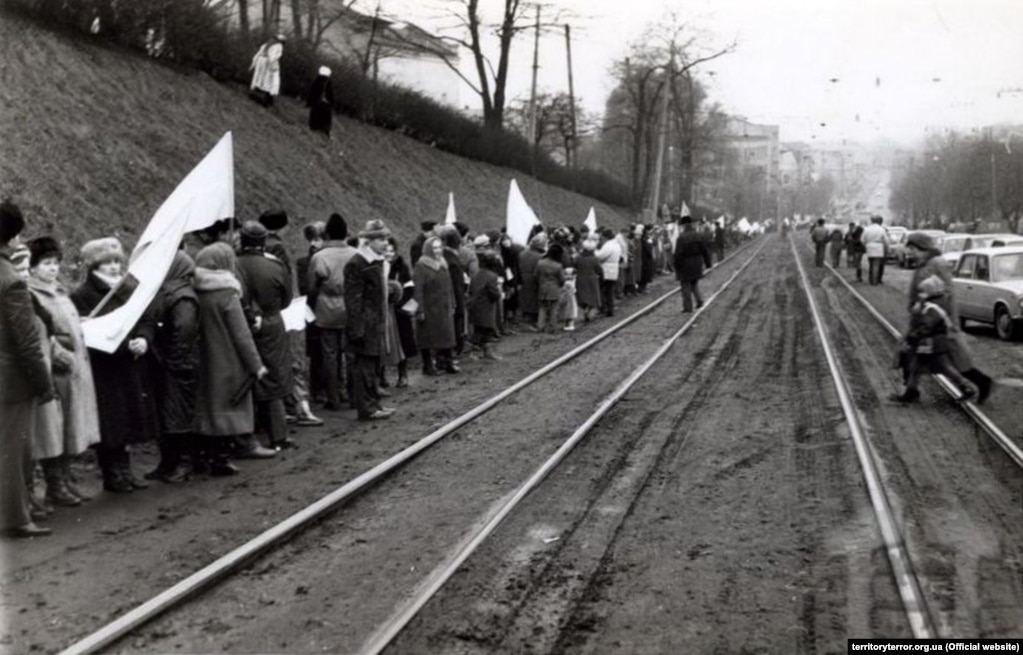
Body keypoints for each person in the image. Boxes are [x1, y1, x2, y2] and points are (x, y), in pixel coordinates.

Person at [71, 237, 161, 493]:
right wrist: (124, 345)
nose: (113, 267)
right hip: (106, 368)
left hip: (130, 364)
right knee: (111, 421)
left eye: (115, 261)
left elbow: (145, 317)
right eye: (106, 262)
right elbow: (89, 332)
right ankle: (113, 473)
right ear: (93, 265)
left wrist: (144, 338)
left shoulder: (128, 289)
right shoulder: (83, 295)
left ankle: (126, 470)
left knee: (129, 419)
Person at [26, 236, 100, 504]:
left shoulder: (58, 292)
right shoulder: (32, 294)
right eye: (46, 263)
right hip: (57, 370)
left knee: (71, 427)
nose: (52, 268)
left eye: (56, 263)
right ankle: (55, 484)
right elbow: (41, 332)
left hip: (75, 370)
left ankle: (66, 479)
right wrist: (60, 355)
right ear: (33, 267)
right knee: (53, 431)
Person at [0, 201, 55, 537]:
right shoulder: (11, 280)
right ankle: (16, 518)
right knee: (13, 450)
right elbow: (27, 341)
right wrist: (44, 383)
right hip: (9, 379)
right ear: (12, 237)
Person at [193, 243, 270, 475]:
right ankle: (222, 459)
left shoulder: (197, 290)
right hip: (229, 361)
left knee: (209, 407)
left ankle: (205, 457)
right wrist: (256, 365)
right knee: (229, 407)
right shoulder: (228, 294)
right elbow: (242, 335)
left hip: (205, 359)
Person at [904, 232, 993, 403]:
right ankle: (911, 390)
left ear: (923, 248)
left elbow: (949, 292)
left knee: (955, 360)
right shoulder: (922, 264)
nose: (910, 253)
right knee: (915, 355)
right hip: (924, 316)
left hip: (938, 320)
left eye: (913, 249)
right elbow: (916, 290)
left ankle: (982, 382)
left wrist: (951, 321)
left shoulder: (937, 263)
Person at [235, 221, 295, 451]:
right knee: (275, 375)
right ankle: (278, 434)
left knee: (245, 375)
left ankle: (248, 433)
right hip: (271, 322)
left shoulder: (233, 265)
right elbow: (287, 298)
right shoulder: (275, 265)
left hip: (240, 323)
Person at [147, 251, 200, 483]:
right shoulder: (172, 292)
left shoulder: (182, 297)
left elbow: (184, 330)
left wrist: (174, 360)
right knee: (167, 414)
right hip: (168, 362)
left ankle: (183, 463)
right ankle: (168, 462)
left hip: (177, 365)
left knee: (177, 414)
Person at [890, 275, 974, 403]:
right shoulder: (935, 304)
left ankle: (967, 387)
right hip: (931, 343)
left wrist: (913, 336)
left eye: (923, 292)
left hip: (933, 343)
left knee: (943, 367)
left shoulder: (932, 308)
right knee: (916, 367)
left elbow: (927, 326)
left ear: (930, 292)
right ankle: (910, 392)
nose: (921, 294)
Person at [344, 220, 396, 421]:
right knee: (364, 366)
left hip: (376, 321)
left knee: (373, 365)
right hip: (365, 324)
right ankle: (367, 408)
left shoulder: (376, 261)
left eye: (385, 238)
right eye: (380, 239)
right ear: (368, 241)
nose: (385, 243)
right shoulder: (358, 264)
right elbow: (353, 299)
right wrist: (357, 328)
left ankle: (374, 404)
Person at [308, 213, 357, 410]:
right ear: (346, 233)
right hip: (351, 308)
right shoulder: (355, 254)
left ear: (327, 234)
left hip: (327, 309)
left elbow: (312, 287)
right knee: (352, 355)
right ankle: (355, 396)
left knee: (330, 355)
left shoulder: (319, 257)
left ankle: (333, 398)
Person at [413, 236, 457, 375]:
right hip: (430, 306)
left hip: (444, 306)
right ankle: (428, 365)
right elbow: (418, 288)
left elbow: (449, 285)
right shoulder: (422, 265)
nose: (437, 251)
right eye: (434, 248)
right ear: (428, 249)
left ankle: (446, 361)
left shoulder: (443, 263)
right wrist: (420, 309)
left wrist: (453, 301)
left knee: (446, 334)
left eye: (439, 247)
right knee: (428, 336)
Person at [385, 237, 416, 387]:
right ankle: (382, 376)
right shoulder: (378, 266)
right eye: (386, 251)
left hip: (399, 310)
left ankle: (402, 374)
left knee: (402, 342)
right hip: (384, 310)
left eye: (392, 251)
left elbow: (410, 289)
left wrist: (400, 302)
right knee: (384, 342)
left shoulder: (402, 268)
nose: (389, 254)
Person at [468, 245, 503, 360]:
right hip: (486, 306)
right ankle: (477, 352)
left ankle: (485, 352)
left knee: (482, 329)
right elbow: (494, 293)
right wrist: (498, 294)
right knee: (484, 330)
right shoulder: (492, 276)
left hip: (475, 305)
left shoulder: (477, 274)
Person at [673, 215, 713, 313]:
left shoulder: (681, 238)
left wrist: (676, 265)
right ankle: (699, 301)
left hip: (685, 264)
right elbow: (705, 250)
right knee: (694, 283)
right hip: (697, 262)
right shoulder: (698, 235)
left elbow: (678, 253)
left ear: (683, 225)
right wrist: (708, 263)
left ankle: (688, 307)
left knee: (685, 285)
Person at [439, 225, 468, 356]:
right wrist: (461, 307)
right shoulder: (453, 262)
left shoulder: (441, 257)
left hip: (444, 301)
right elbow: (457, 287)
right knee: (456, 327)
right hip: (454, 300)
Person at [518, 232, 546, 330]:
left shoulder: (522, 254)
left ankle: (525, 320)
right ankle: (531, 322)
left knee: (525, 300)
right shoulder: (539, 257)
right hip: (534, 280)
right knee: (533, 301)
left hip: (522, 279)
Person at [536, 243, 566, 333]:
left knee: (542, 308)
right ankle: (553, 327)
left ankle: (540, 326)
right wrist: (560, 285)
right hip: (554, 288)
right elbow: (562, 279)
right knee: (554, 308)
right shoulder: (558, 266)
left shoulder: (540, 263)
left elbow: (536, 275)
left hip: (543, 287)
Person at [249, 33, 285, 107]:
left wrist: (253, 63)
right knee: (268, 80)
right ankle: (265, 98)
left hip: (261, 61)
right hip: (268, 62)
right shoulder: (278, 46)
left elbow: (258, 54)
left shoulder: (266, 44)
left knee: (258, 77)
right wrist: (272, 66)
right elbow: (272, 57)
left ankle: (255, 92)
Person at [575, 239, 603, 322]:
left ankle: (584, 309)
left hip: (580, 278)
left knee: (582, 295)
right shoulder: (594, 258)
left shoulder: (578, 257)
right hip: (591, 278)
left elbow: (574, 265)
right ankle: (589, 309)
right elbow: (599, 269)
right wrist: (601, 276)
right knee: (592, 296)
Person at [595, 228, 621, 317]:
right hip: (614, 269)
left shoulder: (608, 245)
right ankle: (610, 308)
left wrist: (595, 251)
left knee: (603, 290)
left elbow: (601, 256)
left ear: (606, 237)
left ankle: (604, 308)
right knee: (610, 291)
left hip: (606, 270)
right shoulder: (616, 245)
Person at [306, 66, 335, 138]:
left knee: (314, 115)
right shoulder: (328, 82)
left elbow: (312, 92)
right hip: (325, 104)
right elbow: (330, 94)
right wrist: (332, 102)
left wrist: (309, 102)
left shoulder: (316, 81)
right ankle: (325, 131)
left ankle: (313, 127)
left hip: (316, 102)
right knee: (326, 118)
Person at [861, 216, 888, 285]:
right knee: (876, 264)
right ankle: (874, 281)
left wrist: (866, 245)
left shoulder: (867, 229)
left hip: (869, 246)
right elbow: (885, 240)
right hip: (878, 247)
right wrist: (886, 248)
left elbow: (862, 239)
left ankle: (871, 279)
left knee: (871, 264)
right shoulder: (881, 229)